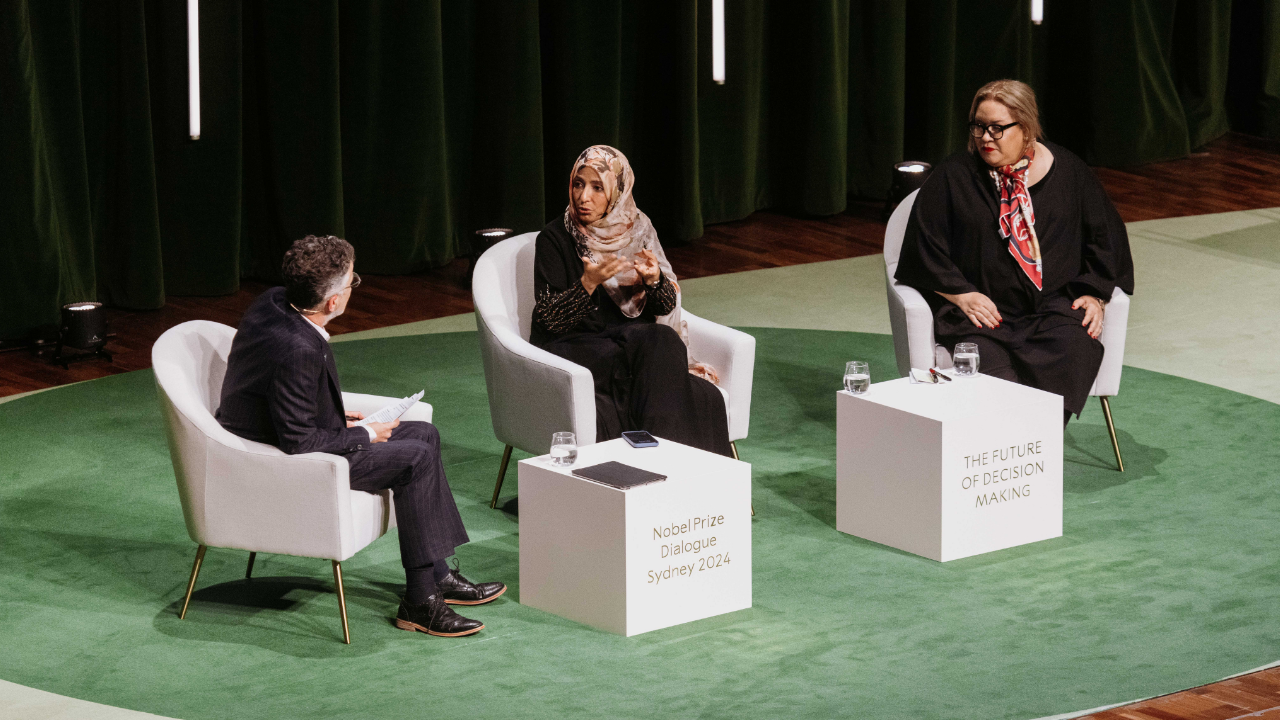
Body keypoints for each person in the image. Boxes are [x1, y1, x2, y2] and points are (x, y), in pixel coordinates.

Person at [215, 235, 505, 638]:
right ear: (333, 302)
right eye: (352, 282)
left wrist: (330, 414)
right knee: (415, 458)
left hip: (279, 431)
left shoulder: (276, 302)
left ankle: (437, 574)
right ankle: (420, 602)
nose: (354, 287)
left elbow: (283, 398)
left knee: (425, 433)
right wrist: (364, 433)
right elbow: (299, 442)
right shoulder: (297, 347)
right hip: (279, 461)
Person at [894, 80, 1134, 423]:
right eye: (978, 126)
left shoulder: (1069, 172)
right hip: (983, 313)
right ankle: (1002, 455)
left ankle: (1040, 447)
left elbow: (1105, 238)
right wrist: (961, 295)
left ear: (1026, 128)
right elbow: (923, 247)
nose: (985, 137)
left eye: (997, 128)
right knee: (987, 363)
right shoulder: (953, 176)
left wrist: (1094, 294)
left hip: (1051, 306)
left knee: (1074, 347)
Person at [531, 145, 732, 456]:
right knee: (660, 352)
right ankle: (664, 460)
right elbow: (549, 318)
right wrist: (589, 282)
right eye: (578, 184)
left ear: (618, 190)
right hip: (574, 345)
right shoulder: (554, 238)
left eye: (598, 187)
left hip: (629, 343)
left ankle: (667, 461)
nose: (584, 197)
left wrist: (653, 281)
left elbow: (665, 305)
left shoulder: (639, 229)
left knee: (666, 345)